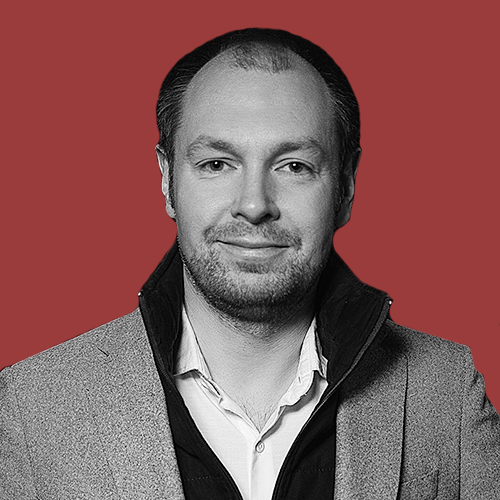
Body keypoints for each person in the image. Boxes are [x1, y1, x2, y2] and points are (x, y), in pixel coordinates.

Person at [1, 28, 499, 500]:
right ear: (167, 181)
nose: (255, 205)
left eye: (294, 166)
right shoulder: (31, 406)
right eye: (217, 164)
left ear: (346, 187)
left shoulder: (447, 391)